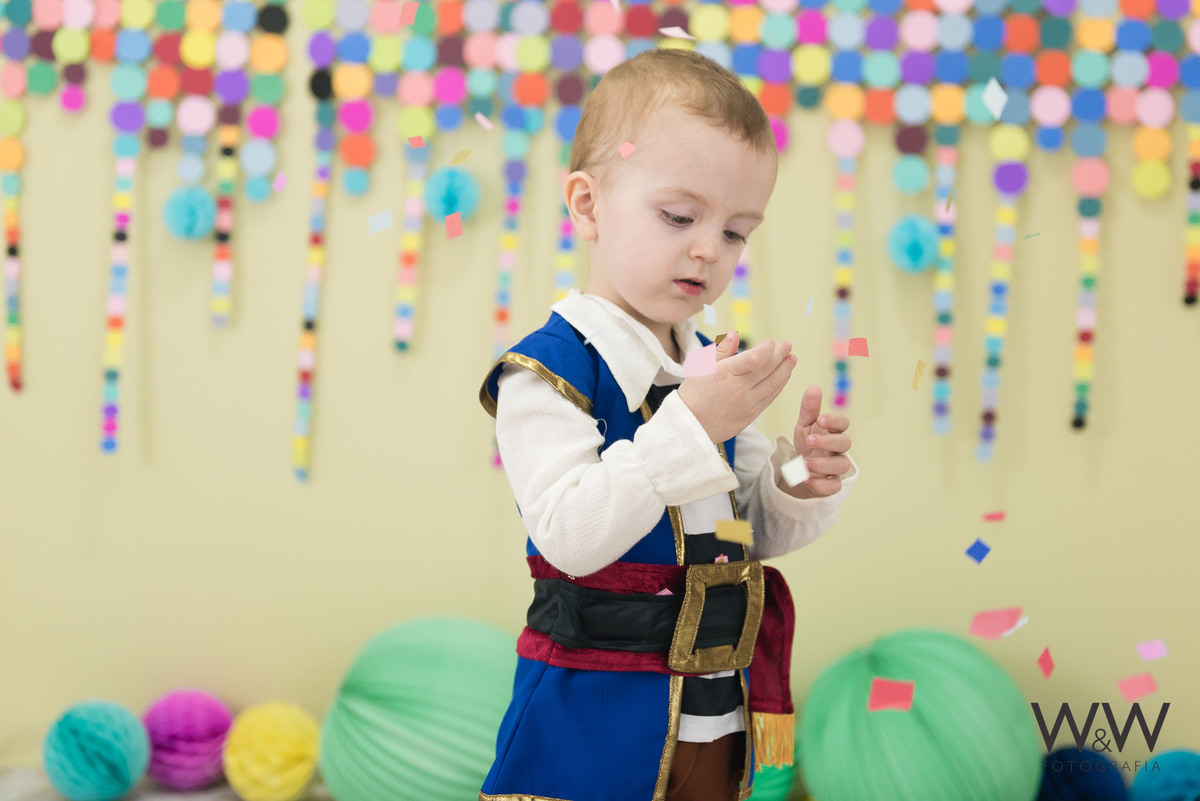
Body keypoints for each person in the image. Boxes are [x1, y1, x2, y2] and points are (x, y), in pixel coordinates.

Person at [476, 48, 859, 801]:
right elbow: (570, 534)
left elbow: (743, 522)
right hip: (594, 708)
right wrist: (689, 423)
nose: (708, 249)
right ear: (587, 205)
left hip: (712, 702)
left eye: (738, 231)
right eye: (680, 216)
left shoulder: (705, 364)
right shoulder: (546, 371)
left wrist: (797, 480)